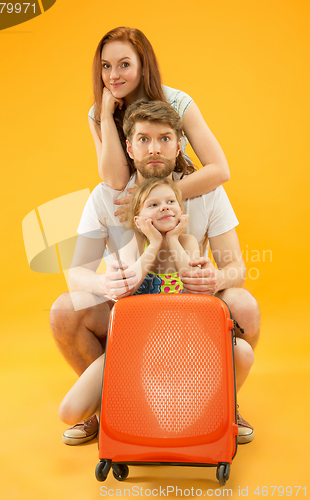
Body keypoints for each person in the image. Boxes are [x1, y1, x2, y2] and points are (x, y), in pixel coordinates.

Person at [50, 100, 260, 446]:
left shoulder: (207, 196)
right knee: (64, 309)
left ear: (179, 144)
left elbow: (236, 267)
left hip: (188, 328)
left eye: (164, 138)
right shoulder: (106, 198)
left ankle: (222, 405)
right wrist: (105, 281)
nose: (155, 148)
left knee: (244, 303)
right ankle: (111, 409)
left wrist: (216, 279)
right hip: (131, 328)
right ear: (129, 147)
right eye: (144, 139)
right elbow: (77, 274)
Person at [59, 177, 201, 425]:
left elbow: (193, 285)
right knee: (70, 412)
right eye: (153, 205)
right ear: (138, 220)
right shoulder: (133, 242)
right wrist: (154, 243)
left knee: (165, 414)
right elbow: (126, 288)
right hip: (131, 347)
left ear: (181, 211)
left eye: (171, 202)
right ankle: (111, 415)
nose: (165, 207)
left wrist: (173, 239)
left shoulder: (187, 242)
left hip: (177, 347)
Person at [89, 27, 230, 204]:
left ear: (143, 66)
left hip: (178, 200)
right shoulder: (98, 113)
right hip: (129, 208)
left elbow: (220, 170)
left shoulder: (178, 102)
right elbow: (117, 181)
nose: (113, 75)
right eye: (106, 66)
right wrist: (107, 116)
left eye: (124, 64)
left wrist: (159, 195)